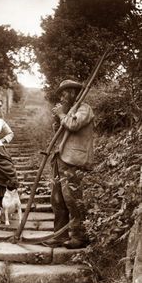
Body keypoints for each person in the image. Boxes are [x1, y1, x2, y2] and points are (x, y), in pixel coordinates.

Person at [47, 79, 94, 249]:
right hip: (60, 158)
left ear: (74, 93)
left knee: (72, 198)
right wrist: (57, 118)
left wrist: (61, 115)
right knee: (57, 198)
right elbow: (59, 134)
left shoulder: (84, 109)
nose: (62, 96)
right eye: (61, 93)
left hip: (73, 159)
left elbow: (73, 125)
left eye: (65, 92)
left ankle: (80, 236)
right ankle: (60, 235)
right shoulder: (68, 111)